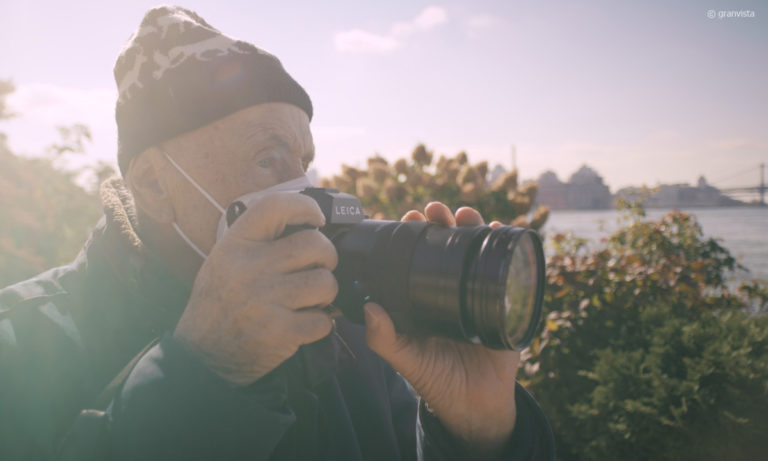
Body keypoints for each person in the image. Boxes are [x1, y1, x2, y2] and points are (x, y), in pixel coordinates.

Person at [0, 6, 555, 461]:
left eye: (304, 161)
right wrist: (204, 372)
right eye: (268, 159)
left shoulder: (360, 338)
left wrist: (483, 437)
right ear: (153, 184)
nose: (302, 190)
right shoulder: (25, 347)